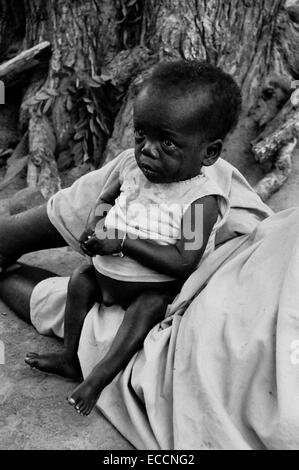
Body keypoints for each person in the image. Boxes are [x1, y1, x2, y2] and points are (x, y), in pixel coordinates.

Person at [0, 60, 271, 422]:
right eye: (142, 134)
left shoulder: (201, 201)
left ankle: (96, 379)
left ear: (209, 153)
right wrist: (95, 225)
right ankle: (69, 356)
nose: (148, 150)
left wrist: (123, 243)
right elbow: (107, 198)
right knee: (80, 280)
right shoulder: (132, 167)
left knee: (147, 310)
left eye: (168, 143)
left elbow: (183, 260)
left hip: (149, 286)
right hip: (107, 272)